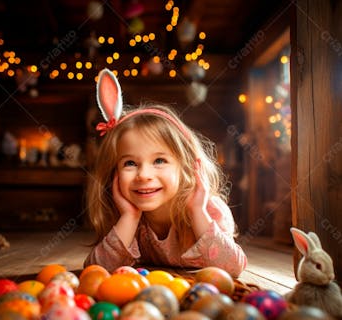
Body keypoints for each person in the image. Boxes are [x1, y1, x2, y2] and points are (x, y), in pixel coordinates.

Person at [84, 69, 247, 278]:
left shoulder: (209, 210)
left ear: (187, 167)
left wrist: (198, 212)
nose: (143, 175)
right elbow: (95, 270)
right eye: (130, 163)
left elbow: (233, 268)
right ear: (113, 171)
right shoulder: (123, 215)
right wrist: (129, 218)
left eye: (159, 160)